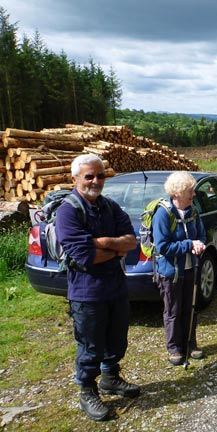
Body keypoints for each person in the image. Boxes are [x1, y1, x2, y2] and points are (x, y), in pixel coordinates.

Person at [55, 154, 140, 422]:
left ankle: (111, 378)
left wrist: (102, 241)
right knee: (90, 345)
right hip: (86, 292)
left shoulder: (111, 207)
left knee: (116, 338)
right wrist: (115, 249)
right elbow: (84, 255)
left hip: (115, 286)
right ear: (75, 179)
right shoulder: (68, 211)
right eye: (89, 176)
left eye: (100, 175)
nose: (95, 181)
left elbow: (131, 241)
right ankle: (87, 391)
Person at [153, 171, 207, 366]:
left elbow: (201, 235)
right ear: (177, 192)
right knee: (173, 310)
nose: (193, 194)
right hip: (171, 272)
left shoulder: (193, 211)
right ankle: (174, 348)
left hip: (190, 268)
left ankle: (190, 344)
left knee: (191, 307)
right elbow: (162, 247)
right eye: (189, 191)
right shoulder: (163, 214)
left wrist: (200, 244)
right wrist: (189, 245)